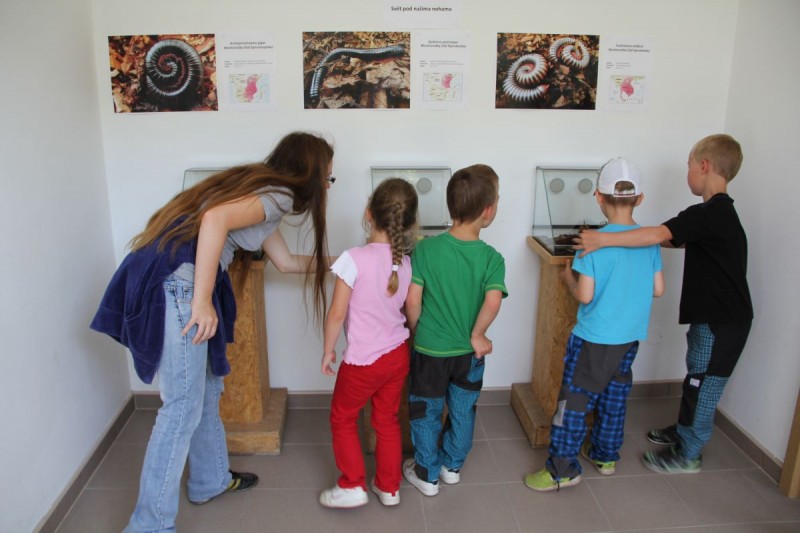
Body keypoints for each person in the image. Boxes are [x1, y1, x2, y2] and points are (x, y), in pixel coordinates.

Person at [90, 131, 335, 532]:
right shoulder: (278, 195)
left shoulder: (263, 194)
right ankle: (148, 526)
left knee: (205, 391)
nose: (327, 185)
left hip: (167, 275)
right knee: (181, 407)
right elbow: (214, 219)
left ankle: (209, 480)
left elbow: (288, 262)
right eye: (328, 176)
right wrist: (201, 301)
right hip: (179, 283)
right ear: (309, 172)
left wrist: (349, 263)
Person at [575, 134, 753, 474]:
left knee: (705, 383)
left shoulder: (712, 213)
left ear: (704, 166)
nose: (687, 171)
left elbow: (657, 235)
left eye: (688, 165)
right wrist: (632, 243)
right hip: (711, 318)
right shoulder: (709, 215)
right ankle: (684, 429)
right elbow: (665, 239)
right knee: (695, 378)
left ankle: (689, 452)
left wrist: (603, 238)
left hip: (724, 321)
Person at [525, 157, 664, 492]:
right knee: (615, 395)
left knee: (573, 402)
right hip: (629, 338)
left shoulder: (591, 243)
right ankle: (605, 456)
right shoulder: (648, 239)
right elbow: (658, 289)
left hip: (593, 340)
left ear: (599, 198)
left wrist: (568, 278)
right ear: (640, 199)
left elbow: (585, 296)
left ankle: (561, 469)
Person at [403, 164, 508, 496]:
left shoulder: (426, 249)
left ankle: (427, 473)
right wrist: (477, 333)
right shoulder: (493, 258)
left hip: (430, 351)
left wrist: (416, 329)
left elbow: (412, 299)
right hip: (469, 354)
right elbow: (493, 301)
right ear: (488, 211)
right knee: (463, 409)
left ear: (451, 206)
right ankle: (452, 466)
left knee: (426, 410)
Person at [318, 178, 419, 508]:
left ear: (368, 214)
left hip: (364, 361)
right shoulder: (404, 262)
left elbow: (336, 314)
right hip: (396, 356)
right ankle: (389, 488)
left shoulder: (353, 258)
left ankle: (352, 485)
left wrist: (328, 349)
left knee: (342, 417)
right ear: (409, 223)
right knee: (387, 420)